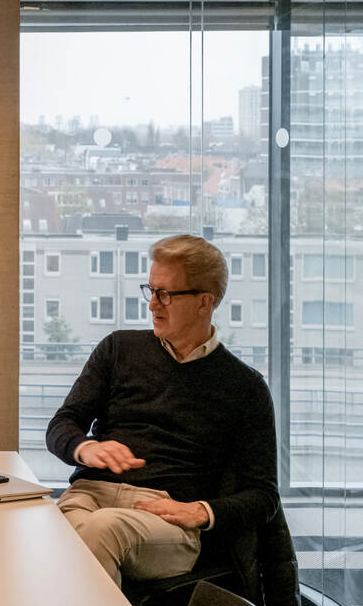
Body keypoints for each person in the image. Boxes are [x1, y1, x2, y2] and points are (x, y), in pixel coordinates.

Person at [45, 234, 279, 586]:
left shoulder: (244, 386)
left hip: (166, 518)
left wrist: (199, 511)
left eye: (165, 294)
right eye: (150, 290)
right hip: (89, 496)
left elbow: (263, 496)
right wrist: (87, 447)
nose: (153, 305)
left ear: (205, 302)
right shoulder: (118, 349)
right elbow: (62, 425)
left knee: (96, 534)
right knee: (46, 534)